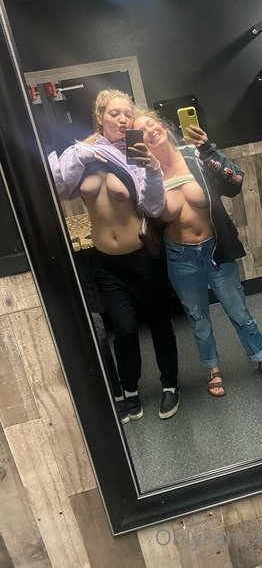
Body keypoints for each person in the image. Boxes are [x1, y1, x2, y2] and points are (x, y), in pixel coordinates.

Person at [133, 107, 262, 396]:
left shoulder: (194, 155)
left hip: (215, 249)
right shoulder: (144, 175)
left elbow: (235, 183)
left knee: (238, 310)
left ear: (162, 126)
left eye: (151, 124)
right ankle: (212, 368)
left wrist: (208, 150)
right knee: (198, 318)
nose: (150, 132)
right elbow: (149, 211)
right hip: (180, 256)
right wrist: (148, 170)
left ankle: (261, 357)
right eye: (141, 132)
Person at [48, 89, 180, 422]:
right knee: (124, 329)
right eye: (114, 114)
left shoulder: (136, 154)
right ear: (100, 117)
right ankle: (130, 390)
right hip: (106, 262)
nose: (123, 120)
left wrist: (152, 171)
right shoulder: (80, 153)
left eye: (127, 114)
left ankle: (170, 384)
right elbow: (59, 189)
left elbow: (154, 207)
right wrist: (80, 156)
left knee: (160, 323)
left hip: (142, 257)